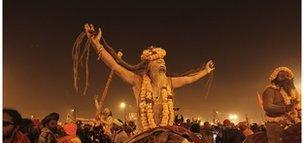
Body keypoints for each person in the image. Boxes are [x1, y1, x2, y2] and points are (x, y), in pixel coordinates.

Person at [83, 24, 215, 130]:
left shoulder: (168, 82)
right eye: (158, 61)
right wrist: (96, 44)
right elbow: (115, 66)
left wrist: (206, 71)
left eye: (163, 61)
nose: (162, 63)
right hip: (143, 135)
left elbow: (188, 79)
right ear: (148, 67)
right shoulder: (137, 81)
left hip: (165, 134)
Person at [262, 67, 301, 143]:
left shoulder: (291, 93)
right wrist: (287, 108)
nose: (286, 78)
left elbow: (296, 107)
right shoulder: (270, 90)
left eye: (288, 76)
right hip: (276, 123)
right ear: (275, 78)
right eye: (282, 76)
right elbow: (267, 107)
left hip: (292, 122)